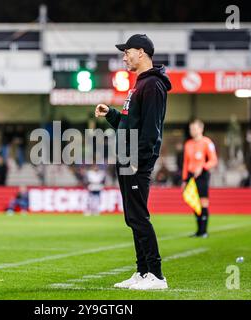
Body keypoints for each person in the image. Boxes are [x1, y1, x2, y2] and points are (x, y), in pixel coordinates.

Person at [95, 34, 171, 290]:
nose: (124, 56)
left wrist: (137, 159)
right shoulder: (139, 84)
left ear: (141, 52)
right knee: (132, 217)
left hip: (136, 161)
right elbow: (130, 126)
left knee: (139, 217)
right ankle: (142, 272)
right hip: (128, 159)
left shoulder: (152, 85)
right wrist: (112, 114)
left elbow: (151, 129)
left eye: (127, 52)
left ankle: (157, 276)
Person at [182, 119, 218, 238]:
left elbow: (213, 160)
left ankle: (204, 231)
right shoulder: (188, 144)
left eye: (195, 128)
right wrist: (184, 179)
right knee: (194, 202)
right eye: (191, 129)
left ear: (201, 129)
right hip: (191, 176)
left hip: (202, 175)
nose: (192, 131)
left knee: (203, 202)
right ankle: (198, 231)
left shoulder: (207, 142)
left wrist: (203, 167)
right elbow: (186, 163)